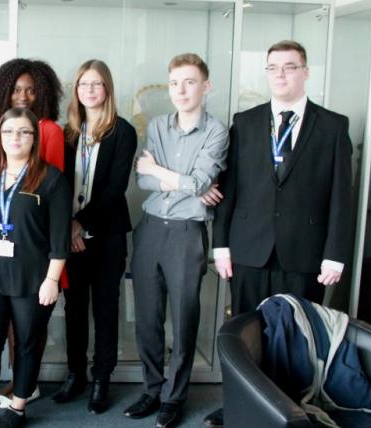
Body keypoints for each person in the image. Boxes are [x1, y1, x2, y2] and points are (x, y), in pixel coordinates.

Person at [204, 40, 352, 427]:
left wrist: (334, 253)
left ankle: (292, 409)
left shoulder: (333, 125)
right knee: (245, 335)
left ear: (305, 71)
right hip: (248, 249)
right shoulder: (246, 121)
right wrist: (220, 243)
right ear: (266, 72)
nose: (281, 74)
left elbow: (341, 196)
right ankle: (241, 403)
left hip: (305, 252)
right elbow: (230, 188)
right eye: (273, 68)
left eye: (289, 67)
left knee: (297, 334)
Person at [0, 107, 72, 428]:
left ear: (34, 138)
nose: (15, 138)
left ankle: (18, 408)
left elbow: (60, 240)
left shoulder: (51, 179)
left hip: (33, 279)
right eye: (9, 131)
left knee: (27, 345)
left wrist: (52, 279)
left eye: (24, 132)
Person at [131, 53, 228, 428]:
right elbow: (142, 182)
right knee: (147, 319)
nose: (181, 90)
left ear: (206, 86)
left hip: (187, 234)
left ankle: (174, 397)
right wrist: (184, 182)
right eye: (174, 83)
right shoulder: (157, 125)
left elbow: (199, 184)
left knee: (184, 319)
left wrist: (159, 170)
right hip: (151, 227)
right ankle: (152, 389)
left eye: (189, 82)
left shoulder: (217, 131)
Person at [52, 59, 137, 414]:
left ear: (108, 89)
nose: (89, 90)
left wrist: (78, 222)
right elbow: (56, 184)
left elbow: (115, 189)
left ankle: (102, 378)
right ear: (76, 90)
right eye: (83, 84)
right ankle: (76, 374)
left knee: (105, 308)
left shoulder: (123, 131)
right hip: (70, 238)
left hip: (106, 235)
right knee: (74, 308)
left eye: (97, 84)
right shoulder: (67, 132)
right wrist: (67, 226)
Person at [0, 57, 65, 405]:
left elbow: (50, 188)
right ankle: (18, 383)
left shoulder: (48, 130)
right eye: (17, 89)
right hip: (3, 244)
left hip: (33, 243)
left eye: (32, 90)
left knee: (27, 326)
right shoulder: (1, 126)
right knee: (2, 325)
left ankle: (24, 386)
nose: (24, 96)